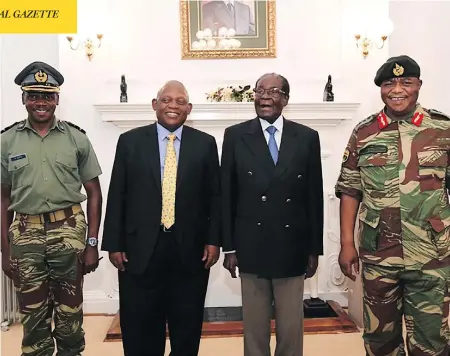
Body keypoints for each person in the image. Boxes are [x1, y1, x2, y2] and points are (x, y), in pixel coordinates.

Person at [335, 55, 450, 355]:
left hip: (432, 255)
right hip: (378, 254)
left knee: (432, 342)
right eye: (389, 83)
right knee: (380, 340)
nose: (397, 89)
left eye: (406, 82)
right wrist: (347, 244)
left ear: (418, 86)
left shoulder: (443, 129)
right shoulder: (364, 132)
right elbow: (349, 191)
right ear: (381, 89)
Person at [101, 80, 221, 356]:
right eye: (167, 100)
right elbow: (117, 192)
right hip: (139, 249)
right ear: (155, 105)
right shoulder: (130, 141)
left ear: (189, 109)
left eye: (180, 101)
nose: (173, 106)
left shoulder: (205, 144)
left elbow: (214, 197)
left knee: (187, 325)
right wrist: (114, 243)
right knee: (140, 325)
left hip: (189, 250)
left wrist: (214, 240)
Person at [0, 61, 103, 356]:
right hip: (25, 234)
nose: (40, 102)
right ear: (23, 99)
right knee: (33, 316)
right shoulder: (6, 141)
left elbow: (94, 193)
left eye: (47, 96)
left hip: (68, 232)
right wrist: (5, 251)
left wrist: (92, 243)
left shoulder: (76, 138)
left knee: (70, 315)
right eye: (33, 95)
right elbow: (3, 199)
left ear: (57, 99)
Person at [220, 73, 324, 356]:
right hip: (250, 244)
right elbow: (227, 194)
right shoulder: (235, 135)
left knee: (291, 327)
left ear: (286, 100)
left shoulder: (306, 137)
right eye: (260, 91)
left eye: (273, 91)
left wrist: (314, 248)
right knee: (254, 328)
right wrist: (228, 247)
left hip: (293, 245)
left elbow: (314, 197)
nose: (265, 96)